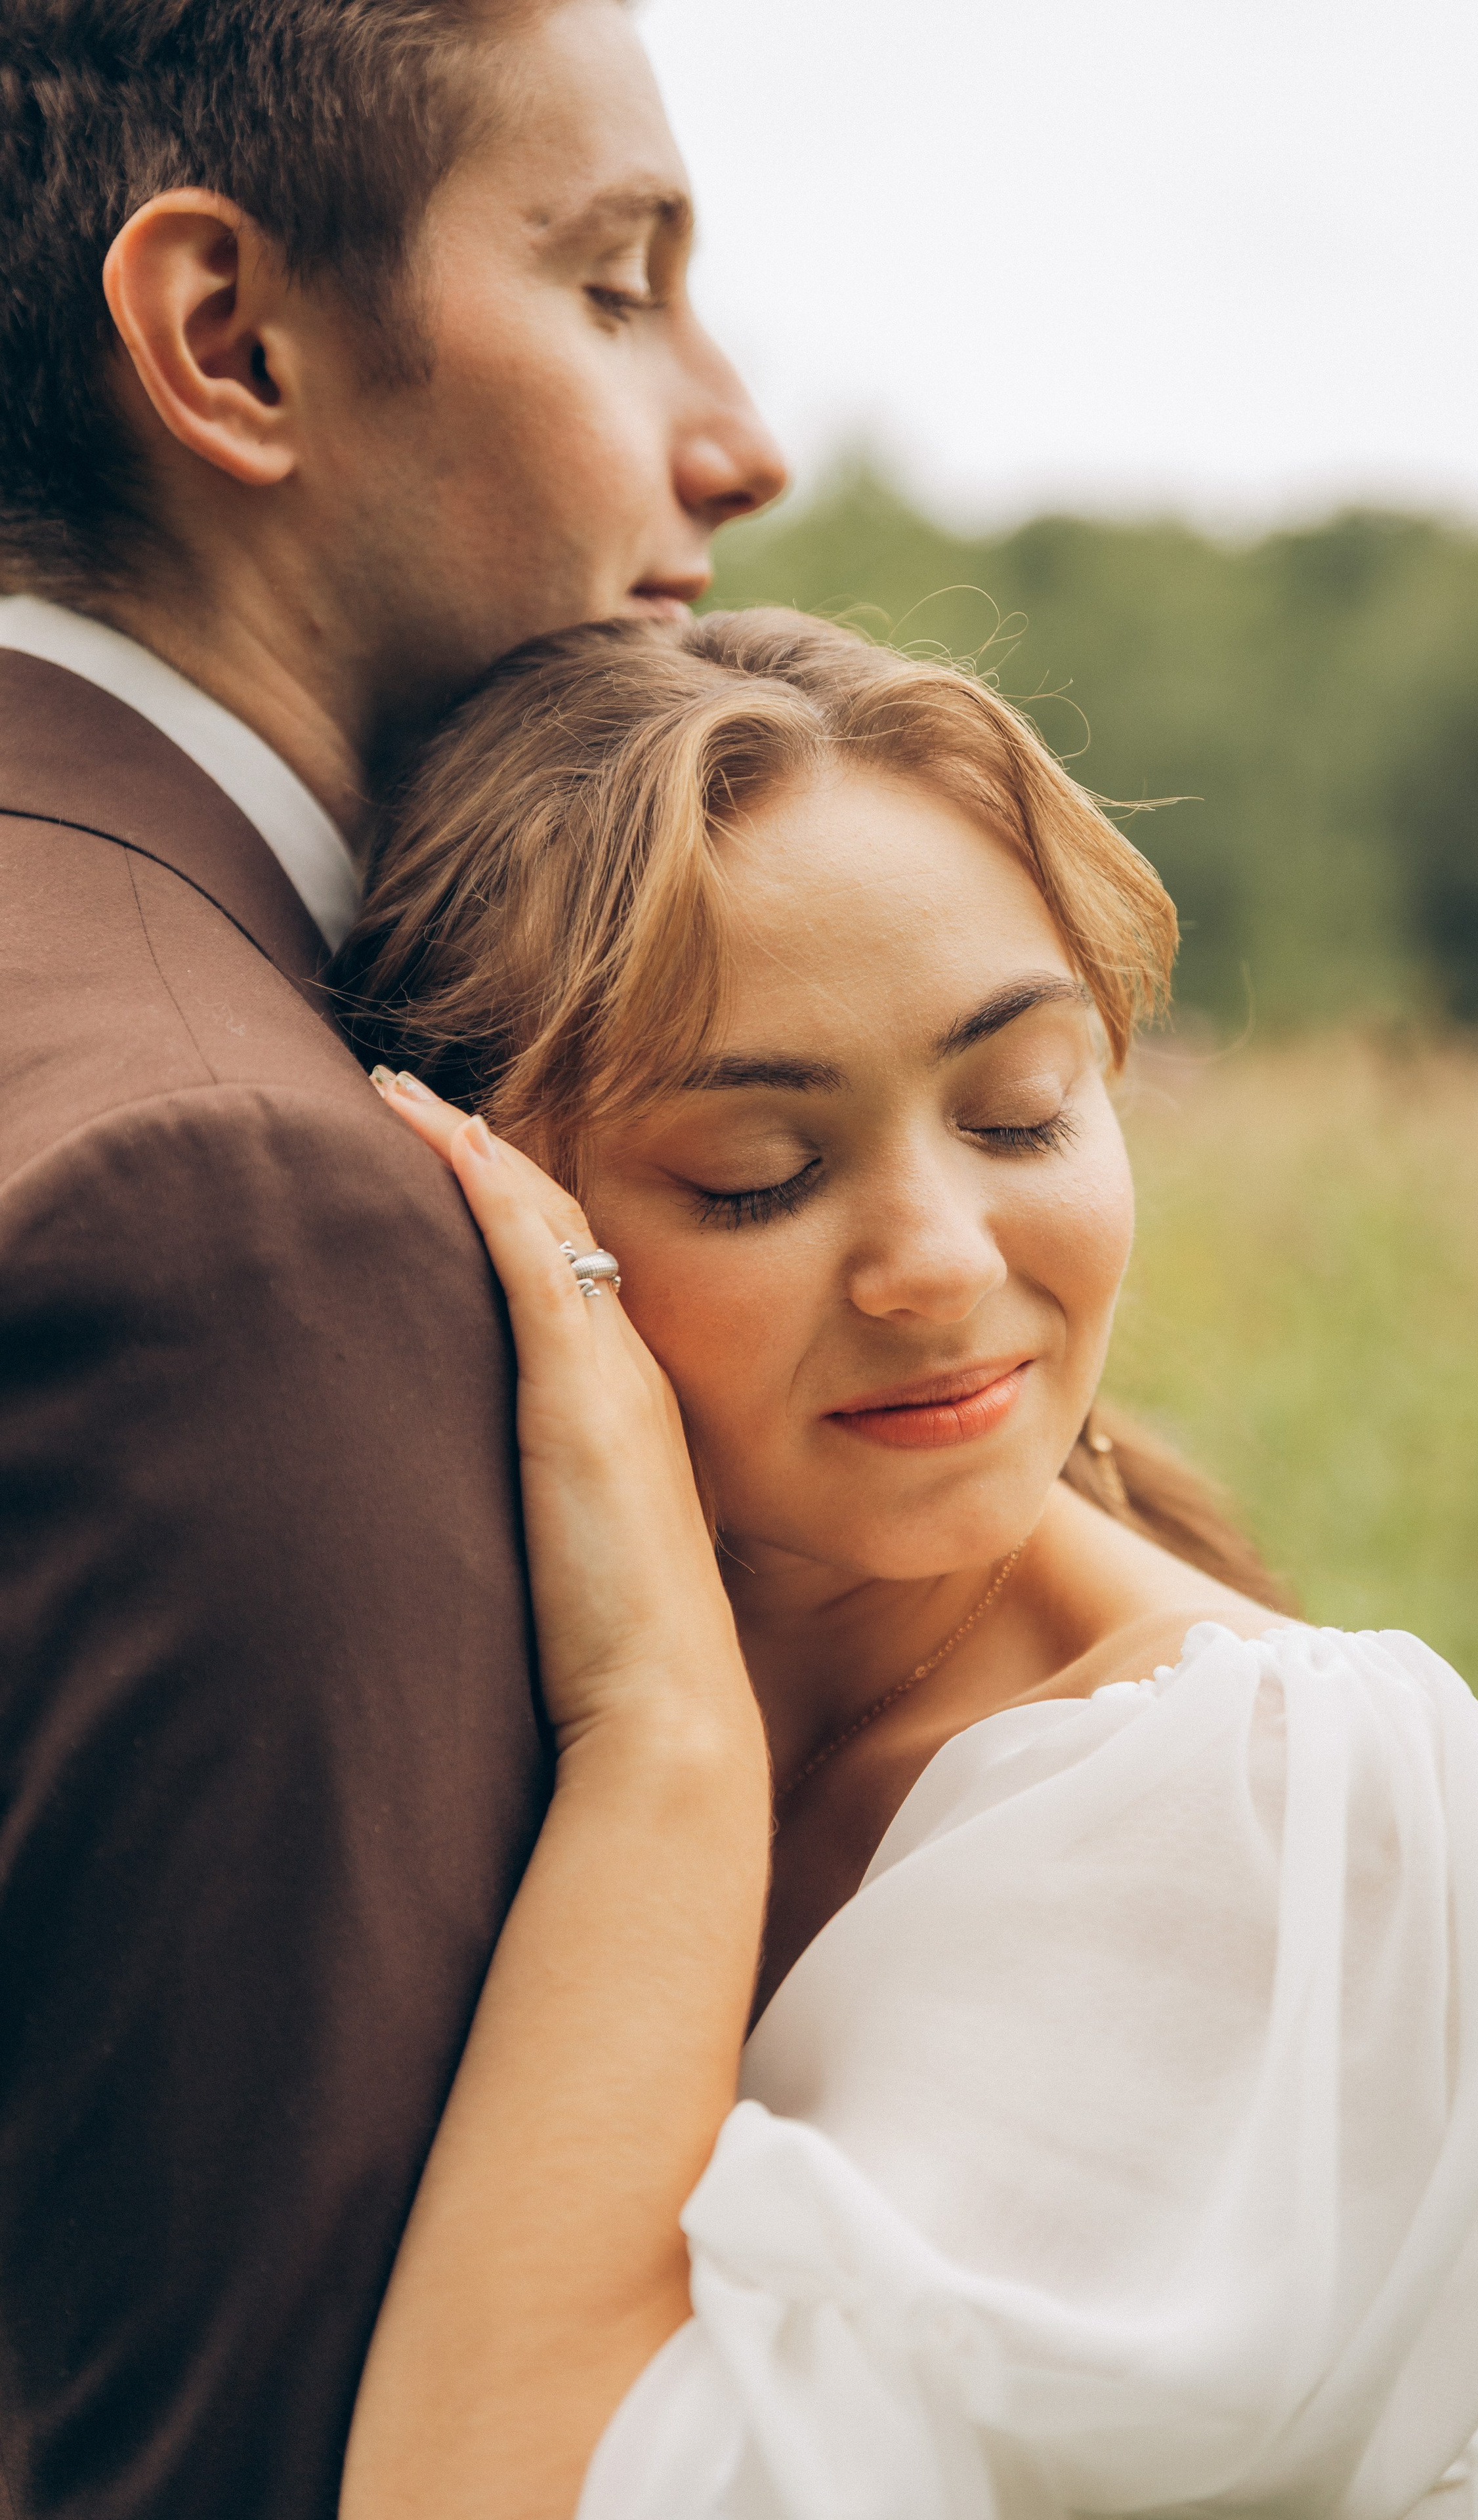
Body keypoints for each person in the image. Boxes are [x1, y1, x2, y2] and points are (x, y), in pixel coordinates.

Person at [333, 610, 1478, 2520]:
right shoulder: (398, 1671)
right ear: (489, 1210)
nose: (941, 1262)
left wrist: (666, 1737)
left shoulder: (1269, 1812)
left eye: (1024, 1113)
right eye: (756, 1170)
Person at [0, 2, 784, 2510]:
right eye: (614, 280)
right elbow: (223, 2455)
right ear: (228, 342)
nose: (738, 439)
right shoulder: (229, 1205)